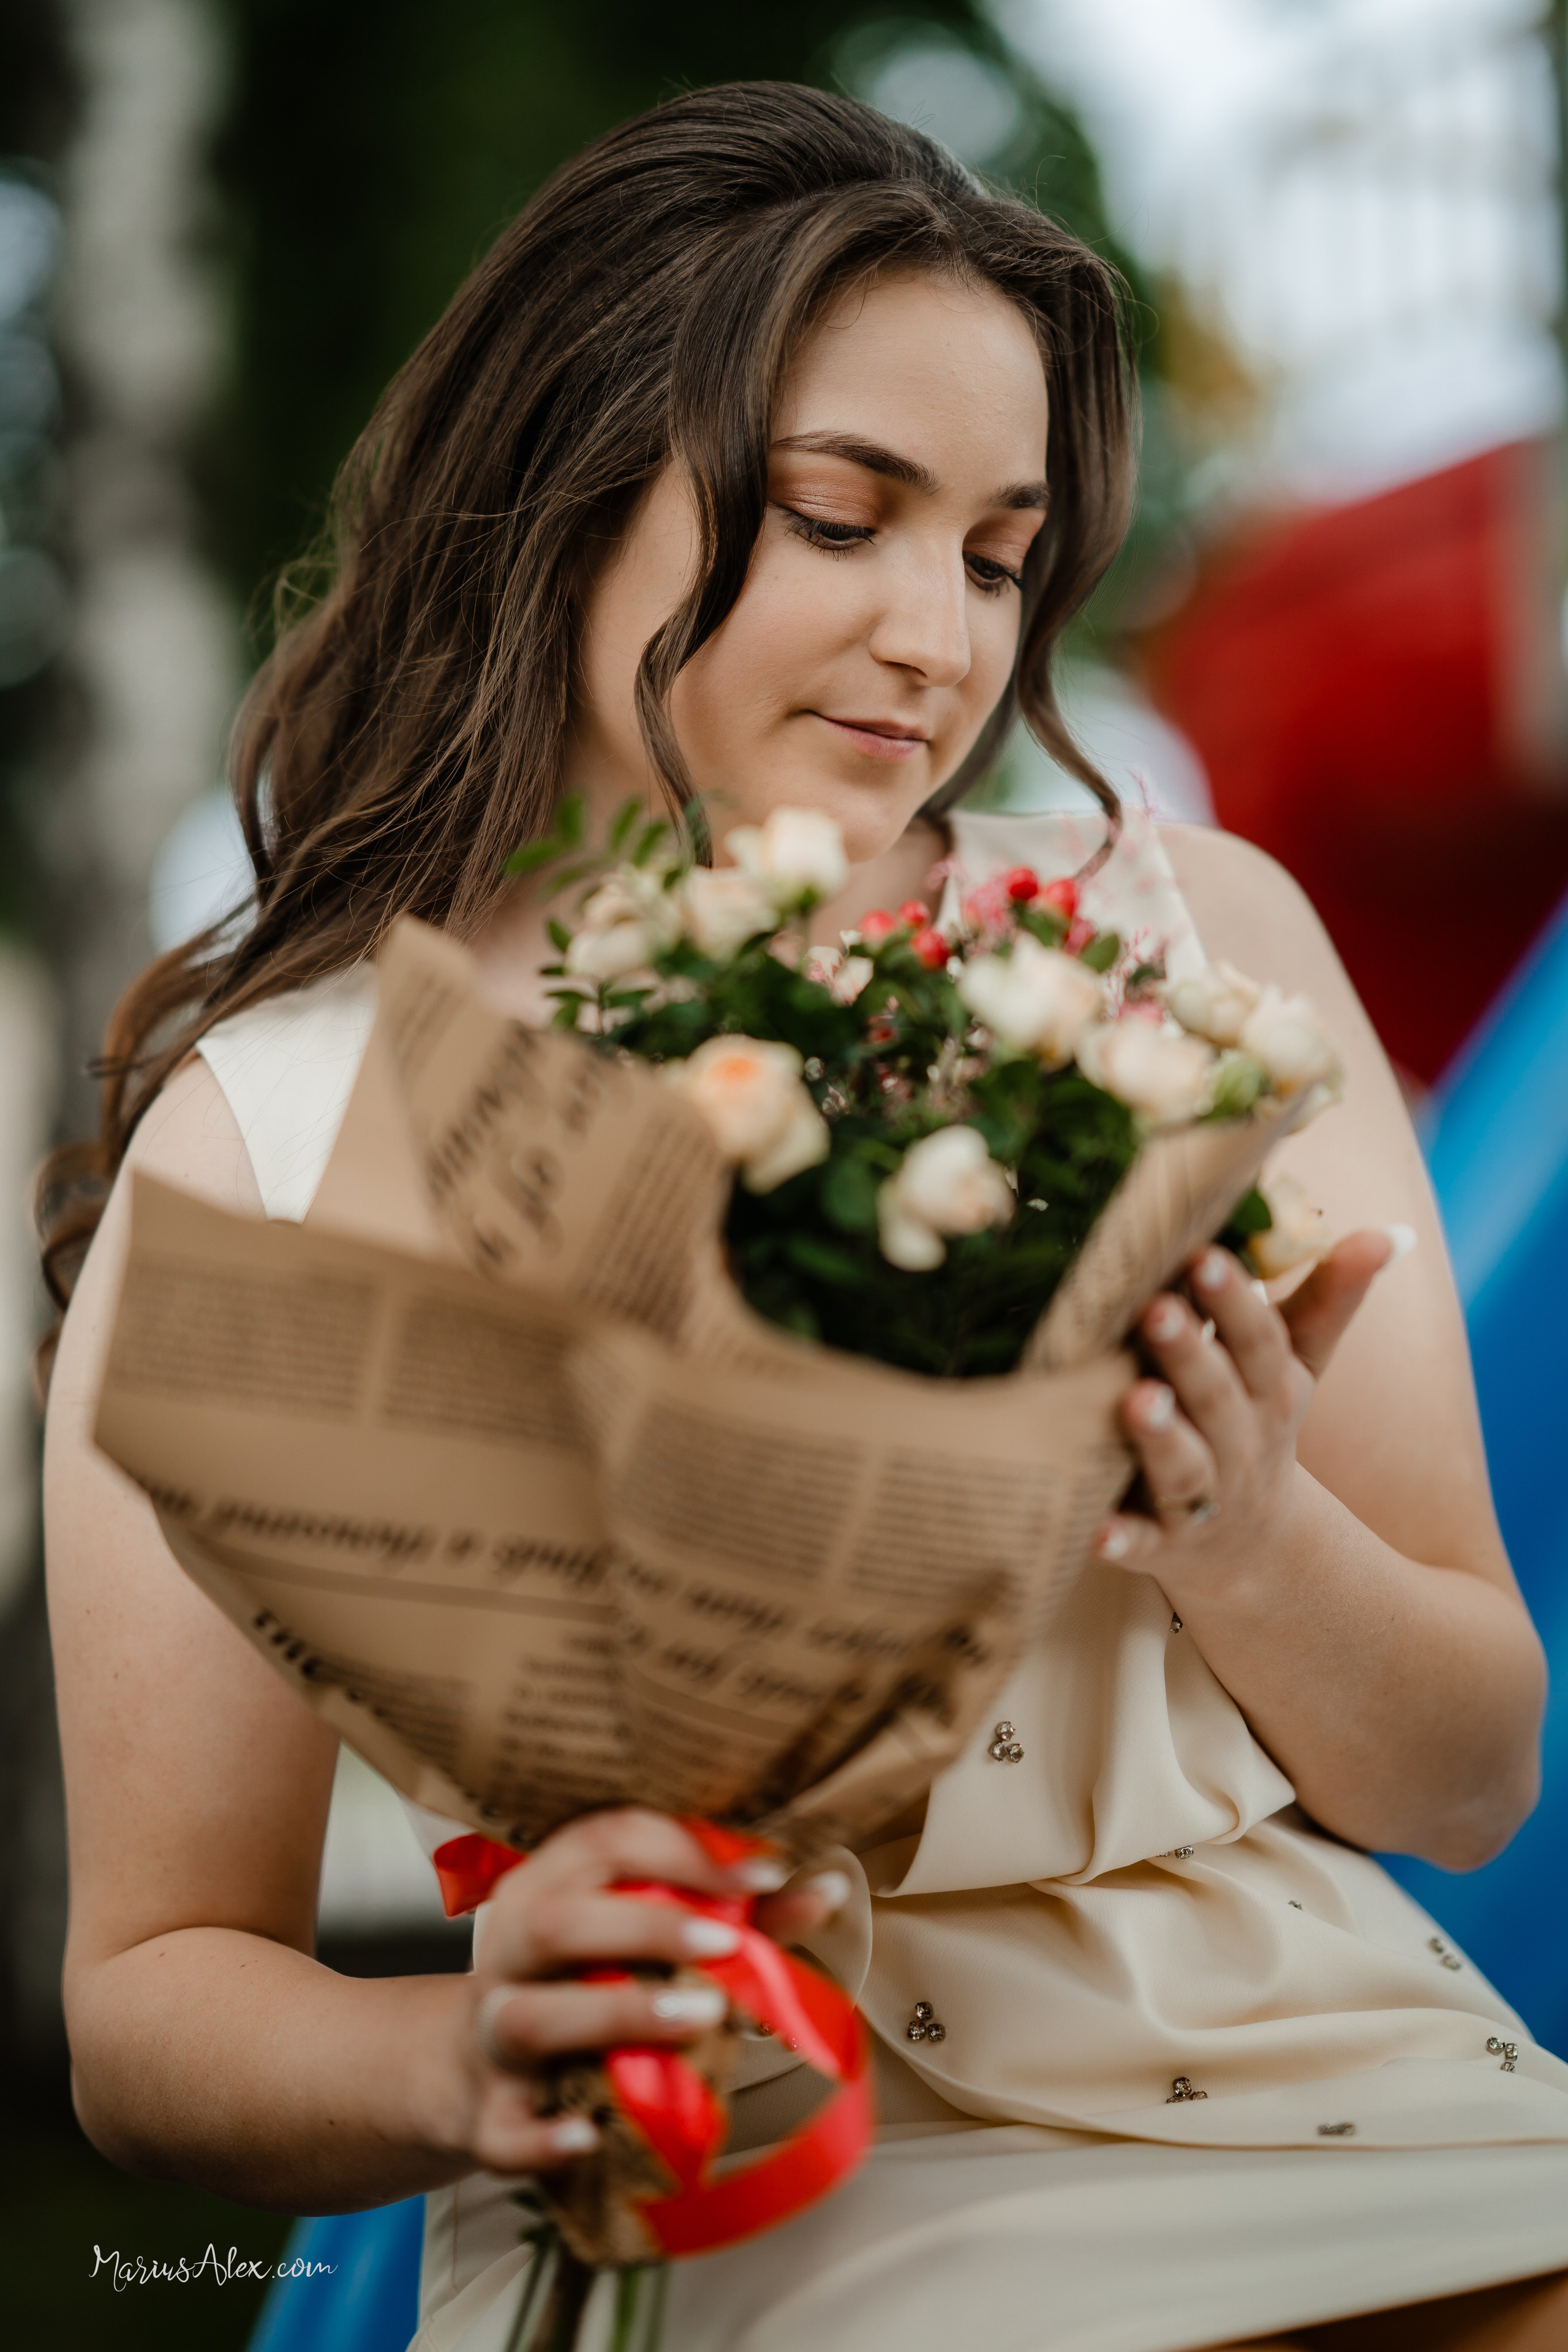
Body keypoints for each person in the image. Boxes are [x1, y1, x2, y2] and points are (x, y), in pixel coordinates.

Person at [39, 83, 1568, 2352]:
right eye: (841, 516)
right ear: (555, 498)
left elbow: (1474, 1775)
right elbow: (150, 2007)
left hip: (1349, 2071)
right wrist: (466, 2052)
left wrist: (1252, 1529)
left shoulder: (1191, 950)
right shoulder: (274, 1126)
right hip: (763, 2163)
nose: (936, 639)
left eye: (991, 555)